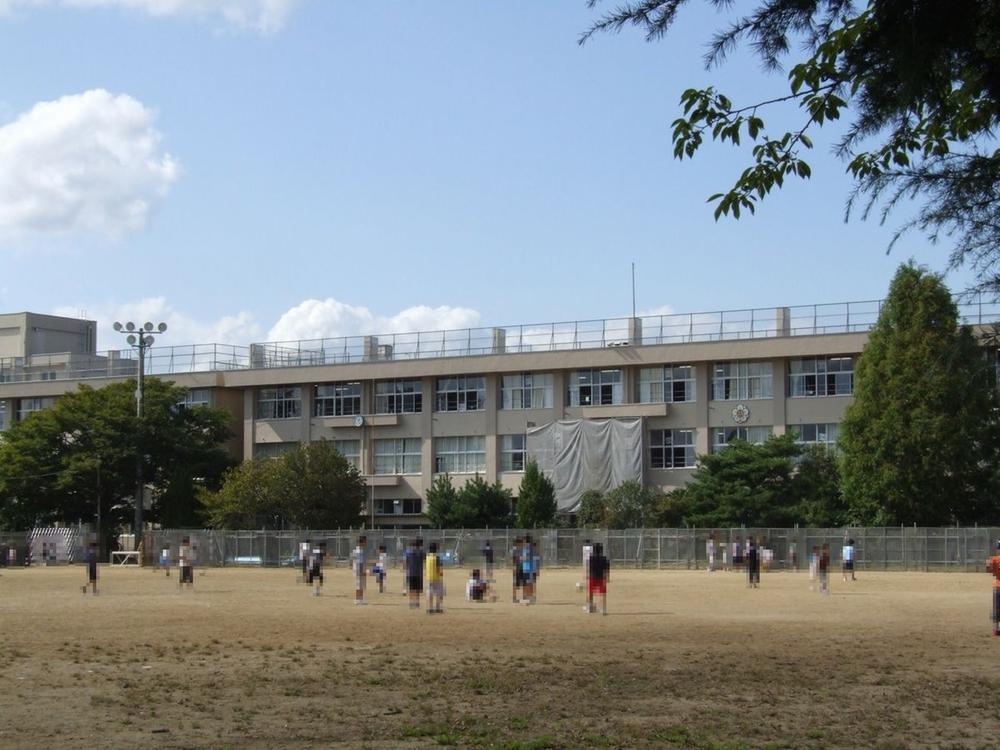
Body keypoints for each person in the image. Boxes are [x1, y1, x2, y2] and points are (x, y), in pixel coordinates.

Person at [586, 542, 610, 615]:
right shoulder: (604, 558)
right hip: (601, 578)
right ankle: (604, 609)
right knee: (603, 594)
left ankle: (590, 608)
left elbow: (589, 568)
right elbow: (606, 569)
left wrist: (588, 576)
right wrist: (607, 577)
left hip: (592, 577)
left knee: (590, 593)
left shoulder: (591, 558)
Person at [404, 538, 425, 610]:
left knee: (412, 589)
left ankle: (411, 603)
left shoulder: (408, 552)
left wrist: (406, 570)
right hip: (418, 573)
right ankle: (417, 603)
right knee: (417, 590)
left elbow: (406, 562)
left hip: (411, 573)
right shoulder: (421, 552)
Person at [425, 541, 444, 613]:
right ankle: (438, 607)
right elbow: (440, 569)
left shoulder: (427, 557)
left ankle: (429, 608)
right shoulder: (437, 558)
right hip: (436, 578)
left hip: (429, 578)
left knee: (430, 593)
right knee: (438, 593)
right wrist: (441, 576)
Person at [988, 540, 1000, 637]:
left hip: (997, 586)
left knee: (996, 608)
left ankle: (996, 630)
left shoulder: (994, 559)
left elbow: (991, 571)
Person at [352, 535, 367, 605]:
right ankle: (358, 599)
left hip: (358, 570)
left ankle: (360, 599)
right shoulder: (359, 550)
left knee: (360, 585)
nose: (366, 543)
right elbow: (359, 562)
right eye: (365, 541)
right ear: (363, 542)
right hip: (359, 570)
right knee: (359, 585)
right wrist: (362, 571)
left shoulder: (358, 549)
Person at [511, 537, 523, 603]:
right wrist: (514, 567)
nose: (522, 544)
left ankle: (523, 597)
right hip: (517, 568)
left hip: (522, 568)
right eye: (521, 543)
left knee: (523, 584)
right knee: (515, 584)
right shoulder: (515, 550)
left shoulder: (523, 550)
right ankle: (514, 598)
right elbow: (514, 560)